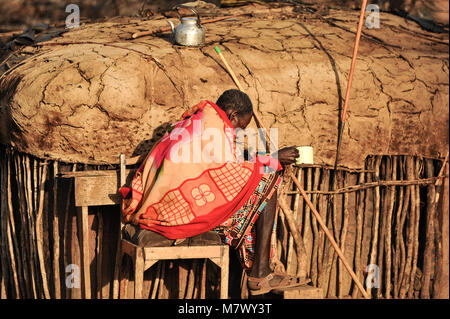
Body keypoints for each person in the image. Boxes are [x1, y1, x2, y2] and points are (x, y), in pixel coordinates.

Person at [120, 89, 304, 295]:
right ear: (233, 116)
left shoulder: (193, 122)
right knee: (266, 181)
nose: (238, 134)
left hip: (159, 206)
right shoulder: (214, 128)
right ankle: (260, 272)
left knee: (249, 198)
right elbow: (226, 173)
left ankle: (252, 277)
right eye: (240, 127)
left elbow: (219, 172)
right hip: (173, 215)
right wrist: (274, 159)